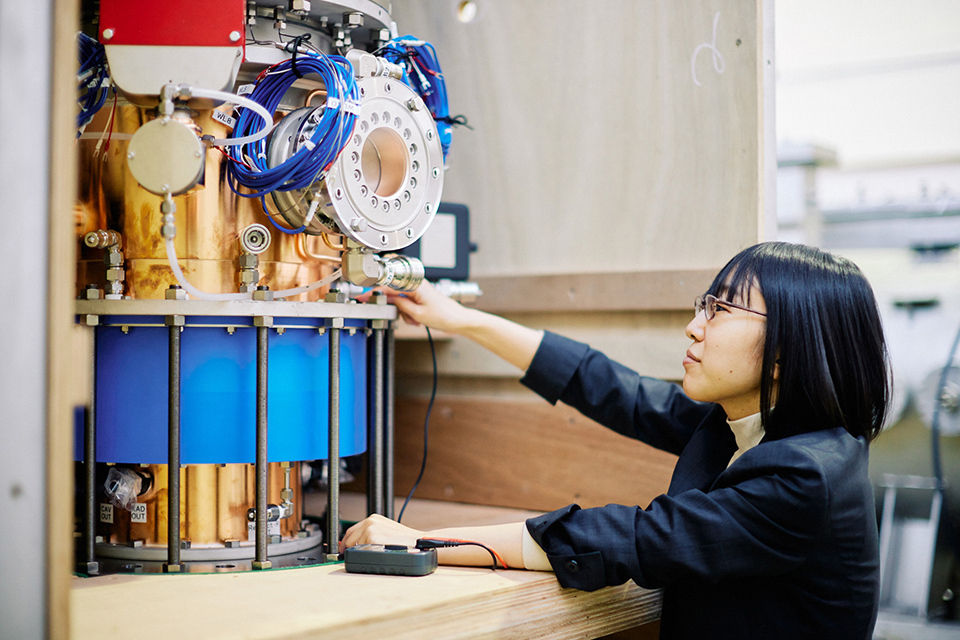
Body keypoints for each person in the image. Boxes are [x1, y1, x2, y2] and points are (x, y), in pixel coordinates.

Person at [342, 242, 888, 639]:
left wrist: (423, 542)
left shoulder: (805, 474)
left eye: (720, 311)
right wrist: (462, 320)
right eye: (704, 305)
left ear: (787, 351)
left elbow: (635, 537)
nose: (694, 327)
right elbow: (613, 389)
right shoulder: (747, 420)